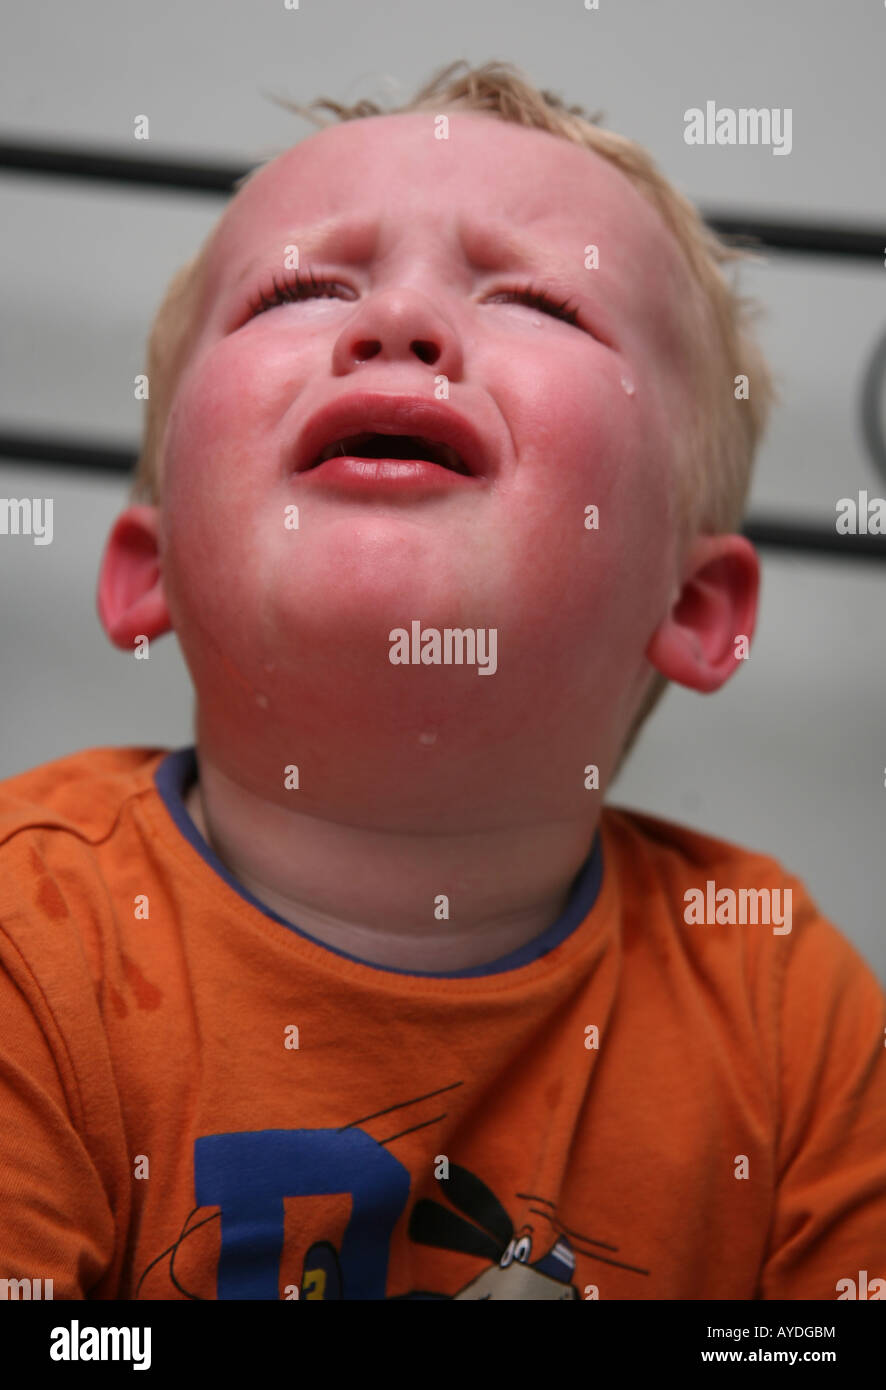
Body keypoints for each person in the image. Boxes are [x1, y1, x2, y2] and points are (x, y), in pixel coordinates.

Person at [1, 60, 883, 1301]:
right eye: (301, 290)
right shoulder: (26, 939)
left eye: (539, 302)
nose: (396, 327)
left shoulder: (783, 1008)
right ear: (149, 568)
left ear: (690, 607)